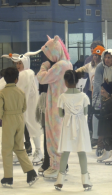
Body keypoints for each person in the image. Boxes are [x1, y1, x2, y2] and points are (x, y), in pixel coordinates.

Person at [0, 52, 43, 165]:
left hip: (30, 105)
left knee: (33, 127)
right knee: (19, 129)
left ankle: (39, 152)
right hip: (20, 105)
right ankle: (20, 152)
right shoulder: (18, 74)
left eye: (20, 63)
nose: (18, 65)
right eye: (17, 63)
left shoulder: (28, 73)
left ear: (25, 62)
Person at [36, 35, 72, 178]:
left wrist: (44, 67)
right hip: (59, 105)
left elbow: (41, 78)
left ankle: (56, 167)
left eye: (50, 54)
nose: (49, 58)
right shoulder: (67, 63)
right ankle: (57, 165)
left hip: (56, 107)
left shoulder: (60, 65)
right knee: (57, 136)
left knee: (54, 136)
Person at [0, 67, 38, 187]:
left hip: (9, 119)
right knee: (19, 147)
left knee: (7, 149)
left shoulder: (2, 93)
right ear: (16, 79)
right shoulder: (21, 92)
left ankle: (8, 177)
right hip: (20, 119)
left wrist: (5, 116)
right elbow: (24, 107)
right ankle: (30, 172)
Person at [54, 70, 92, 190]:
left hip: (68, 125)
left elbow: (60, 114)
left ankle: (60, 181)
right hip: (80, 125)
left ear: (65, 82)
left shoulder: (62, 97)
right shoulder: (83, 96)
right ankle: (85, 181)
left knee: (65, 151)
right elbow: (86, 112)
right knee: (81, 152)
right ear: (77, 81)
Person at [76, 45, 105, 149]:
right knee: (94, 116)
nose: (95, 57)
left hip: (103, 95)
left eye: (98, 55)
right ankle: (95, 137)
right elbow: (82, 69)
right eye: (94, 55)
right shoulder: (90, 65)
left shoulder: (103, 66)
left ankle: (101, 138)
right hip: (94, 95)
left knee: (101, 116)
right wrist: (74, 72)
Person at [93, 81, 112, 164]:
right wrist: (96, 113)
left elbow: (111, 113)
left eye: (103, 89)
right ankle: (106, 153)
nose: (101, 90)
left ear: (107, 91)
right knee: (104, 139)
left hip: (109, 124)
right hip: (104, 123)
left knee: (108, 139)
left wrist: (103, 117)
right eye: (101, 89)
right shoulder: (103, 100)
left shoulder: (111, 101)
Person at [36, 84, 50, 175]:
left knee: (58, 135)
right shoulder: (45, 72)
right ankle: (47, 161)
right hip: (46, 100)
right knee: (47, 134)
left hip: (57, 101)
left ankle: (62, 162)